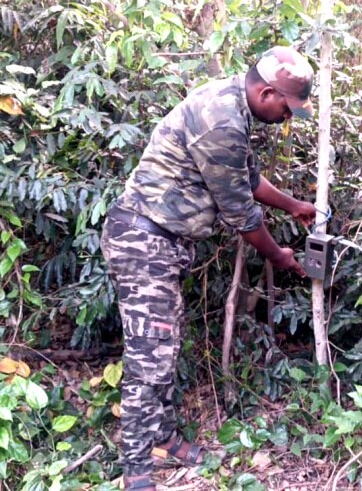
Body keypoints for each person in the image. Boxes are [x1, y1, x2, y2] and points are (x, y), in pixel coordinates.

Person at [100, 46, 316, 491]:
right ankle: (136, 471)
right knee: (150, 359)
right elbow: (239, 212)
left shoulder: (232, 106)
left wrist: (294, 205)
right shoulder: (221, 120)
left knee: (165, 347)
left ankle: (163, 438)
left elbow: (247, 179)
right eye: (286, 108)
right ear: (267, 91)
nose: (287, 117)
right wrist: (278, 256)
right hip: (144, 242)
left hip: (161, 244)